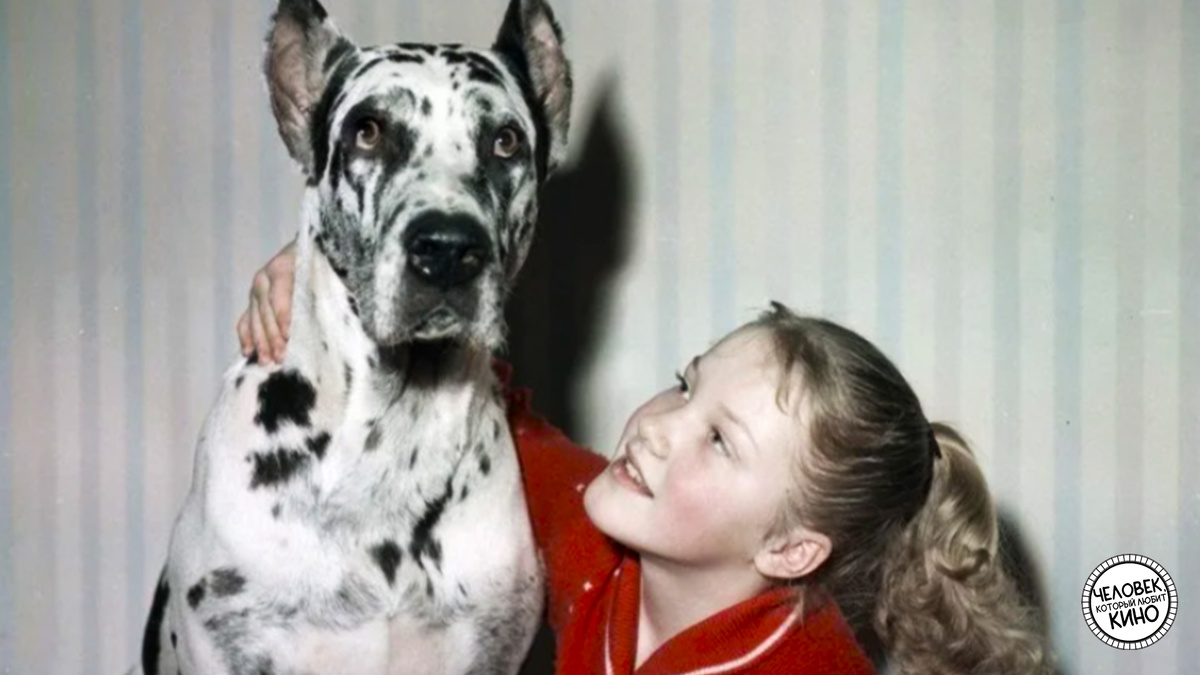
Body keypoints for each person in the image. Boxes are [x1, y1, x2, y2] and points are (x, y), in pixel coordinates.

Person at [237, 245, 1052, 674]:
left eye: (719, 439)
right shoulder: (598, 546)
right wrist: (332, 281)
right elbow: (489, 412)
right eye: (684, 385)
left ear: (789, 549)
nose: (660, 426)